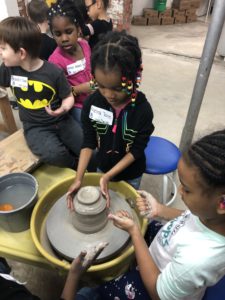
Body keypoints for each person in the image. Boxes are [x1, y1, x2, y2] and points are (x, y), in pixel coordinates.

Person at [77, 129, 225, 300]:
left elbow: (158, 293)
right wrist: (160, 210)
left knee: (94, 294)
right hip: (168, 250)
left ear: (222, 203)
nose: (180, 191)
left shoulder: (198, 260)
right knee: (139, 227)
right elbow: (190, 217)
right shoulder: (212, 217)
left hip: (156, 286)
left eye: (187, 189)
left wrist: (134, 233)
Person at [66, 30, 154, 208]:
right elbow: (89, 142)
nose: (108, 95)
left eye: (116, 88)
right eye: (101, 86)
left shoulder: (142, 110)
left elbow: (137, 150)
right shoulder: (92, 103)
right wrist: (79, 177)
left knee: (127, 208)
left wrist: (109, 176)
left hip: (132, 173)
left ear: (136, 77)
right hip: (103, 167)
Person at [0, 16, 83, 169]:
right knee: (55, 154)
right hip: (35, 126)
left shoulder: (54, 72)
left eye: (3, 48)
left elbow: (68, 96)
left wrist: (63, 108)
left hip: (62, 121)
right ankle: (74, 165)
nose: (0, 53)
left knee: (86, 147)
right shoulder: (8, 70)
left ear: (22, 53)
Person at [48, 0, 92, 124]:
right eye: (58, 34)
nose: (64, 39)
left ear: (78, 29)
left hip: (95, 97)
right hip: (76, 105)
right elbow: (59, 93)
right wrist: (80, 89)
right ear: (52, 34)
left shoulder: (85, 45)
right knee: (90, 127)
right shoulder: (55, 61)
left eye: (68, 32)